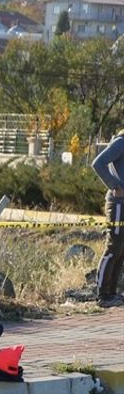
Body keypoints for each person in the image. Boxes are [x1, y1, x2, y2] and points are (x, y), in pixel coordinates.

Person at [91, 130, 124, 307]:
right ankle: (102, 294)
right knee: (113, 247)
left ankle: (112, 293)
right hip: (118, 203)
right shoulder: (120, 142)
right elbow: (98, 163)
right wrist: (115, 186)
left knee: (121, 249)